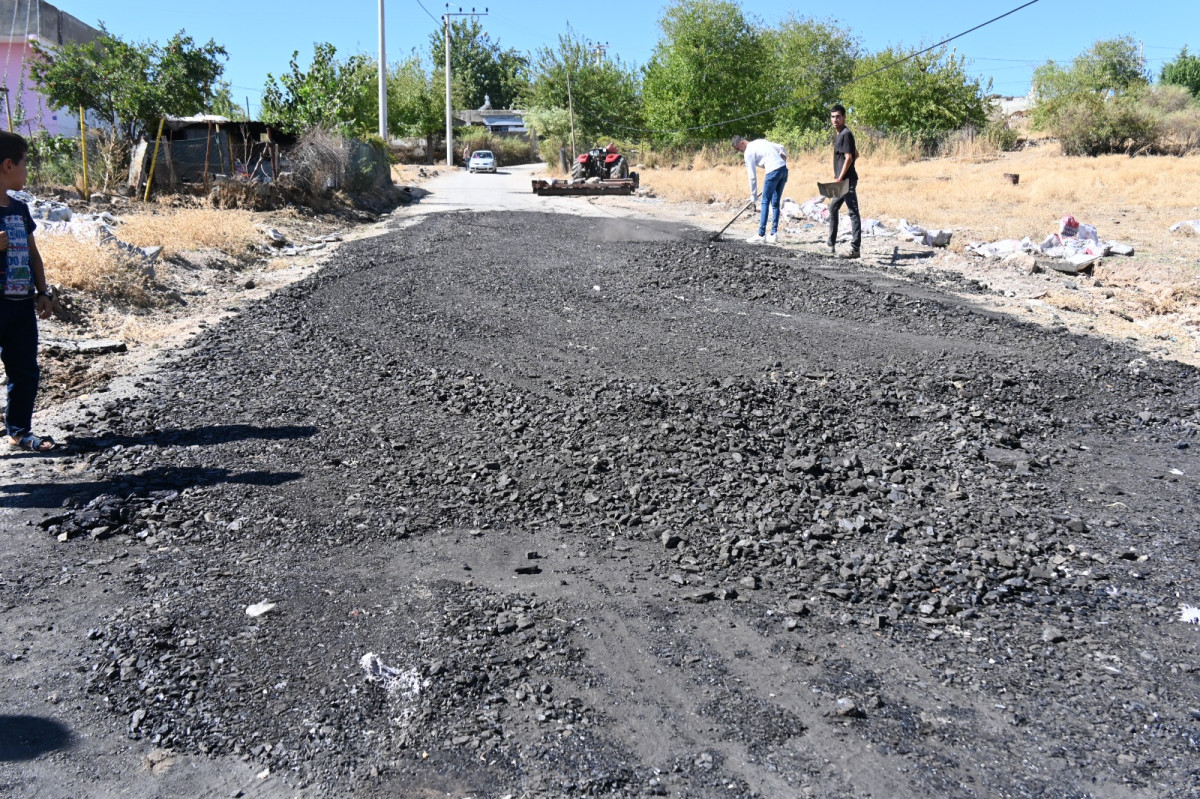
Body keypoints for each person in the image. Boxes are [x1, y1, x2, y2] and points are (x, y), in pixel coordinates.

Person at [0, 131, 55, 452]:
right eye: (24, 164)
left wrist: (43, 292)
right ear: (8, 165)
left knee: (25, 371)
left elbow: (34, 255)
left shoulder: (20, 209)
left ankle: (19, 430)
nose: (26, 171)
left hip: (21, 306)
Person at [731, 134, 788, 245]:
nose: (739, 151)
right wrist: (783, 159)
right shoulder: (760, 141)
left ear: (742, 142)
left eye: (738, 148)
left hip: (772, 171)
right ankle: (773, 234)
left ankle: (761, 234)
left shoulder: (748, 152)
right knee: (775, 203)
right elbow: (781, 147)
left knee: (765, 202)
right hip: (783, 170)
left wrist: (753, 195)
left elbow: (752, 176)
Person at [828, 104, 861, 258]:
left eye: (838, 116)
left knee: (853, 212)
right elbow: (856, 154)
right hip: (844, 180)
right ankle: (831, 244)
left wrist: (840, 178)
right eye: (833, 116)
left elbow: (849, 158)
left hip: (846, 181)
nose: (835, 119)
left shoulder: (845, 134)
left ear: (844, 117)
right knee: (833, 207)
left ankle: (855, 249)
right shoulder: (842, 134)